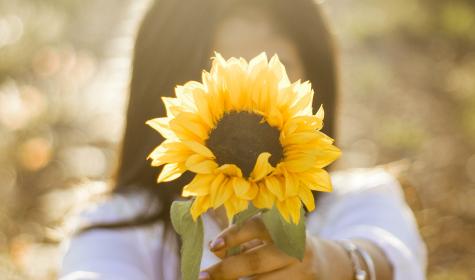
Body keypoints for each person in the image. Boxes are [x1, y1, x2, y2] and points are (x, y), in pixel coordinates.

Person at [59, 0, 427, 279]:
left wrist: (332, 263)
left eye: (278, 66)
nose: (248, 88)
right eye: (217, 68)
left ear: (315, 79)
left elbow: (387, 254)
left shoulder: (360, 199)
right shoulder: (118, 224)